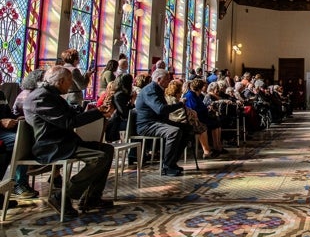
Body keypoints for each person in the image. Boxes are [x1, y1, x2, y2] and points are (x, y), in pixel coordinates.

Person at [23, 66, 115, 217]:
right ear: (60, 81)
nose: (71, 85)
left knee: (107, 150)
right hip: (52, 146)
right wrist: (98, 112)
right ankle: (63, 197)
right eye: (70, 81)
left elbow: (72, 113)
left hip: (64, 142)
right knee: (99, 158)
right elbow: (68, 122)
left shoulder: (52, 95)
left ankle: (92, 198)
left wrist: (98, 110)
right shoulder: (41, 97)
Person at [135, 69, 192, 176]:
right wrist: (179, 104)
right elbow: (160, 109)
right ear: (159, 79)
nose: (169, 81)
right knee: (174, 132)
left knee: (187, 129)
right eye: (167, 79)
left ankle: (172, 161)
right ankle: (167, 166)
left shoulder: (158, 89)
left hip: (158, 121)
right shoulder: (150, 90)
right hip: (148, 124)